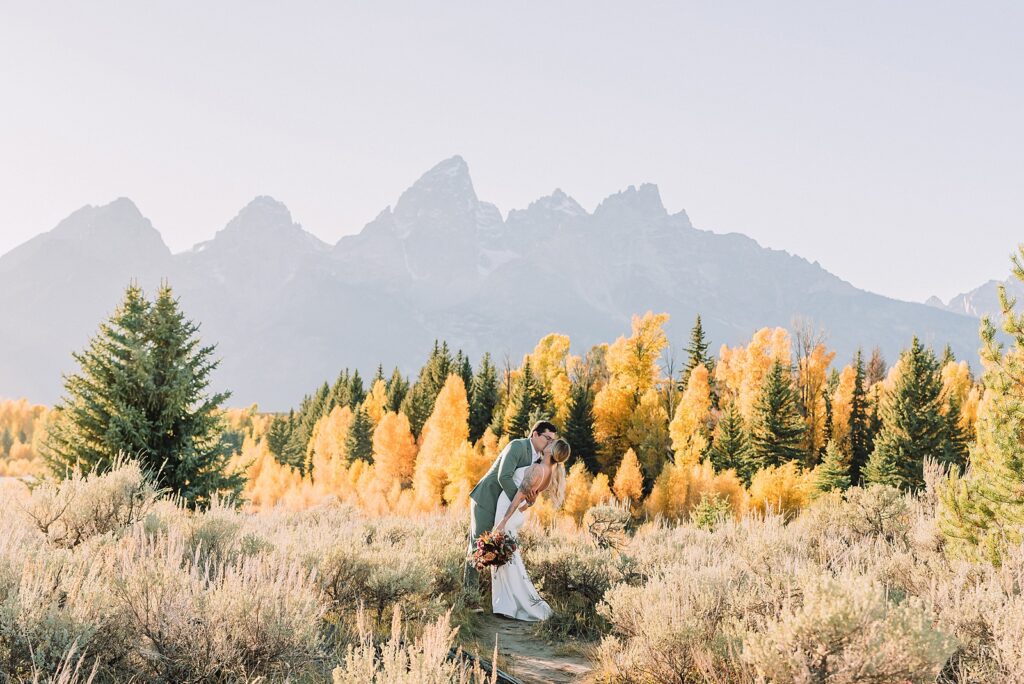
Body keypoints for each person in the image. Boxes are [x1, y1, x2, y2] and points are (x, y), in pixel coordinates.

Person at [465, 420, 558, 602]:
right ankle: (470, 596)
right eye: (547, 438)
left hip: (504, 508)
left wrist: (530, 501)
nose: (549, 443)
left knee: (498, 548)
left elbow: (529, 489)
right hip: (486, 499)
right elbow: (504, 476)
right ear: (535, 435)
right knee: (477, 545)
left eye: (552, 441)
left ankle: (497, 596)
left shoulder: (540, 459)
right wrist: (515, 505)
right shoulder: (517, 446)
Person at [491, 437, 569, 620]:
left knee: (507, 558)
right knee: (508, 558)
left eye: (550, 443)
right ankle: (506, 604)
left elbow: (518, 497)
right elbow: (527, 502)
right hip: (517, 514)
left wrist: (503, 521)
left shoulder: (537, 468)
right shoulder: (550, 472)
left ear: (551, 451)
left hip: (507, 512)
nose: (547, 443)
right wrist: (527, 504)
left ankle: (511, 604)